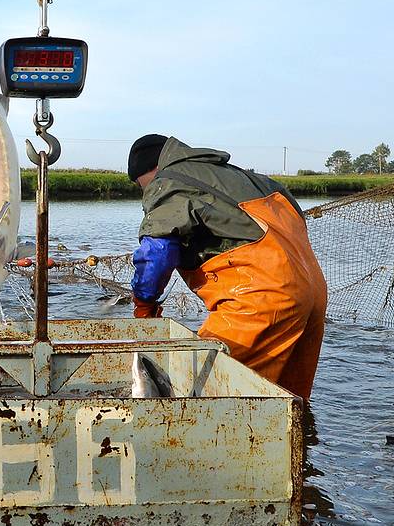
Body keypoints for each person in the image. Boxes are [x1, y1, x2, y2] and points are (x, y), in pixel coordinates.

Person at [126, 134, 328, 401]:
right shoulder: (238, 176)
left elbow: (158, 252)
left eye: (142, 186)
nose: (146, 193)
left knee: (206, 398)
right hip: (312, 292)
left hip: (261, 298)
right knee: (287, 407)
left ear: (149, 170)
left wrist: (143, 302)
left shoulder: (168, 181)